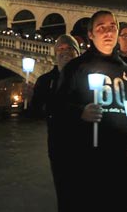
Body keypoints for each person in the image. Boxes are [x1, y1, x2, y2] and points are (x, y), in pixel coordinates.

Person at [54, 10, 127, 212]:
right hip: (85, 162)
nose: (108, 32)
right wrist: (79, 112)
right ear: (91, 34)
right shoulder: (75, 69)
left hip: (120, 161)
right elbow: (56, 108)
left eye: (112, 27)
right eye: (101, 28)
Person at [27, 34, 80, 212]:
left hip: (87, 146)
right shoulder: (45, 81)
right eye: (60, 49)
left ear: (77, 53)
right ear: (54, 54)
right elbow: (35, 113)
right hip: (59, 147)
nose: (64, 52)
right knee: (64, 194)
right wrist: (31, 98)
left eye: (69, 49)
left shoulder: (88, 77)